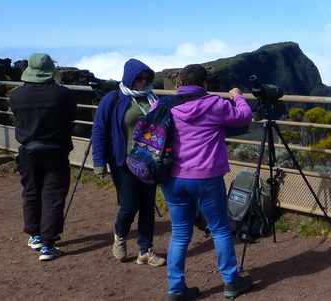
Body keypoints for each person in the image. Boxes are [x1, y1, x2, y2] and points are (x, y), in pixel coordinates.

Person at [161, 64, 252, 301]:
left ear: (180, 84)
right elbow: (243, 117)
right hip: (206, 177)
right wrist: (237, 97)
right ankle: (231, 283)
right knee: (220, 229)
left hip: (173, 178)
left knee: (180, 234)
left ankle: (175, 289)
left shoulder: (167, 106)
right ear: (205, 84)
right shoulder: (214, 105)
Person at [91, 58, 165, 267]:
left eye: (146, 78)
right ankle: (120, 236)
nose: (143, 82)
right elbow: (99, 130)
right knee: (129, 206)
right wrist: (99, 161)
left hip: (149, 161)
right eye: (139, 78)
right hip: (122, 162)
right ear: (129, 78)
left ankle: (145, 250)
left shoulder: (152, 99)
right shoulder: (113, 99)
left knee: (148, 207)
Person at [10, 53, 77, 261]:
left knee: (31, 192)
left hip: (28, 151)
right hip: (56, 151)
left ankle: (35, 235)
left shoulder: (16, 95)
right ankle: (48, 244)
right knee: (53, 194)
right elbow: (71, 119)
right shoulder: (63, 94)